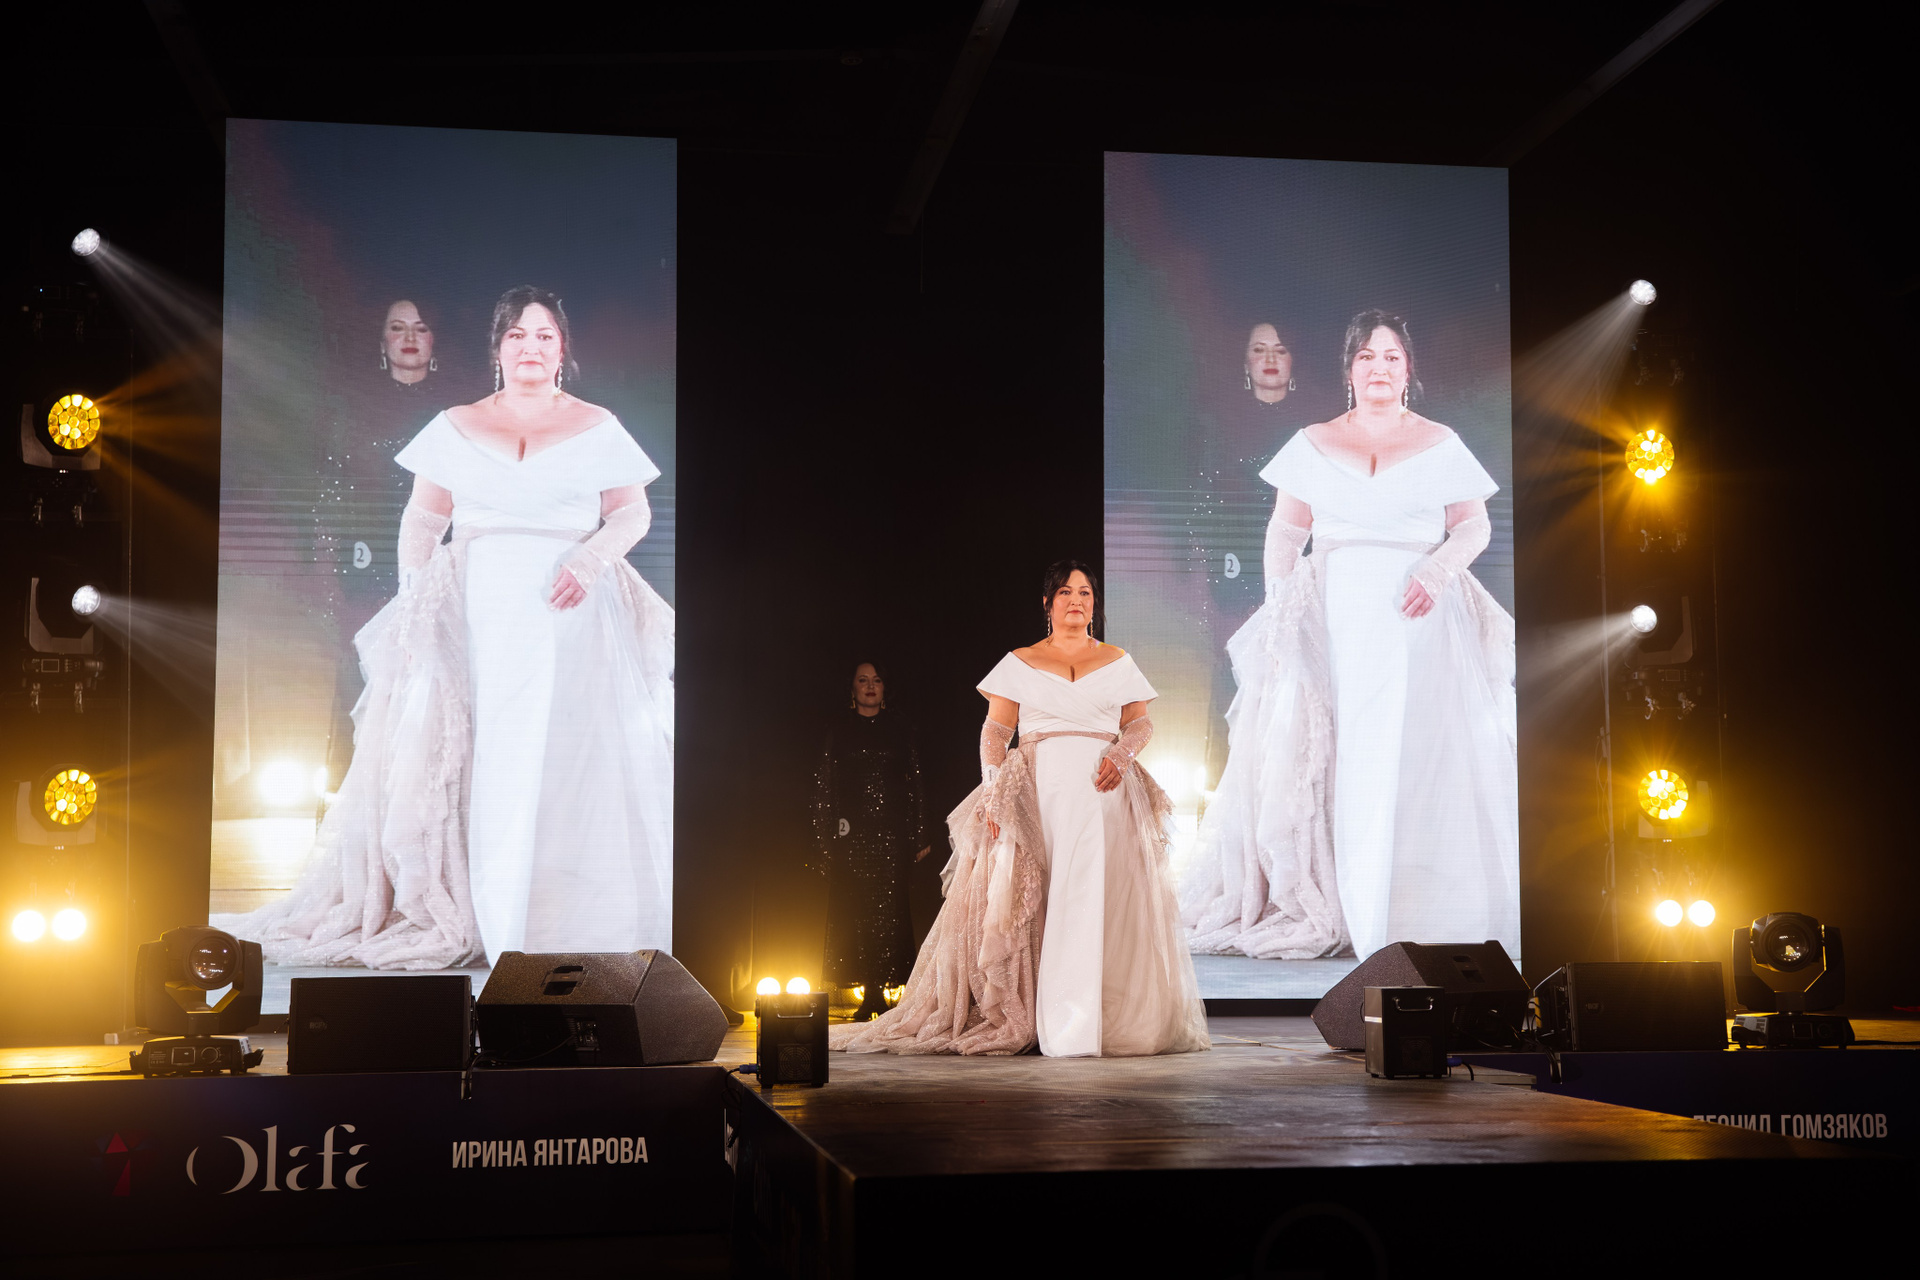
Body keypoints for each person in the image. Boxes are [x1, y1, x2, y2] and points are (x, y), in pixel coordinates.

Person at [230, 286, 675, 967]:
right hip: (477, 610)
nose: (531, 348)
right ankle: (486, 909)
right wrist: (418, 598)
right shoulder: (457, 424)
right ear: (498, 347)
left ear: (563, 349)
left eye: (544, 336)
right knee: (481, 755)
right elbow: (423, 519)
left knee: (567, 758)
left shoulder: (597, 425)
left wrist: (590, 559)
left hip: (572, 613)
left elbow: (632, 513)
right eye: (517, 335)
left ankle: (561, 916)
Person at [1181, 310, 1518, 961]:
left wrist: (1437, 569)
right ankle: (1342, 899)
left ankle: (1410, 905)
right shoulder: (1313, 442)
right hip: (1334, 616)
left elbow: (1473, 525)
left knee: (1414, 757)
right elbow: (1286, 532)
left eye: (1391, 357)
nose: (1379, 368)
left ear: (1408, 369)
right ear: (1349, 370)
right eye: (1367, 356)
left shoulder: (1440, 442)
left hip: (1419, 618)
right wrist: (1284, 611)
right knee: (1338, 755)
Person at [833, 562, 1209, 1057]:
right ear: (1048, 602)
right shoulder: (1020, 661)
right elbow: (995, 731)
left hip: (1103, 795)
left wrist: (1121, 754)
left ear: (1094, 604)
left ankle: (1102, 1022)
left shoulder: (1118, 660)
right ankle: (1051, 1020)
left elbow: (1140, 723)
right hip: (1038, 794)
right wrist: (994, 791)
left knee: (1095, 900)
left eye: (1085, 593)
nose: (1077, 600)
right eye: (1066, 592)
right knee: (1041, 902)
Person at [318, 299, 453, 789]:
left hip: (437, 569)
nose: (409, 338)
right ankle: (355, 800)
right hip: (367, 573)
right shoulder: (355, 410)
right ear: (383, 341)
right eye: (398, 328)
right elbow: (334, 495)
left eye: (420, 327)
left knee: (436, 681)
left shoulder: (456, 414)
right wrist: (338, 572)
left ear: (434, 340)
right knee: (369, 679)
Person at [812, 661, 930, 1021]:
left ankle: (889, 992)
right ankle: (870, 993)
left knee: (890, 913)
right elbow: (825, 785)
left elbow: (915, 783)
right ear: (852, 688)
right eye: (863, 680)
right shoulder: (839, 730)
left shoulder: (900, 729)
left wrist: (920, 832)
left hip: (892, 836)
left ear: (884, 687)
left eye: (876, 680)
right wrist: (825, 837)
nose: (870, 686)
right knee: (858, 913)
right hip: (853, 836)